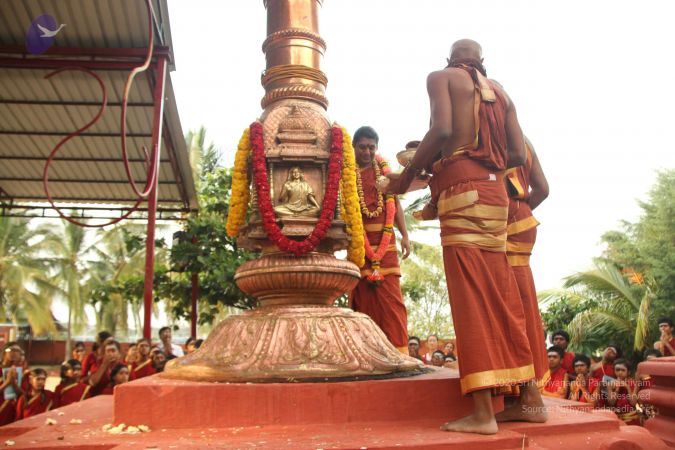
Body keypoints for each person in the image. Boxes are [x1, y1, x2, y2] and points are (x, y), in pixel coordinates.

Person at [386, 39, 542, 434]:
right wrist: (482, 161)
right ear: (482, 63)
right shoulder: (502, 94)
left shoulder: (441, 77)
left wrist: (408, 177)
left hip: (462, 195)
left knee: (471, 299)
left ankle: (483, 414)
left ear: (450, 60)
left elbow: (441, 129)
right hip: (496, 198)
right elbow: (517, 155)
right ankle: (529, 400)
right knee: (503, 297)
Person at [348, 126, 411, 353]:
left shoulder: (385, 173)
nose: (367, 152)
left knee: (392, 300)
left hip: (387, 245)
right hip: (359, 243)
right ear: (354, 147)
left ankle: (399, 353)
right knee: (364, 299)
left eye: (371, 147)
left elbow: (396, 204)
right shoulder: (346, 173)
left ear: (377, 148)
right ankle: (367, 353)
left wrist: (405, 235)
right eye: (362, 147)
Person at [504, 137, 549, 387]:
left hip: (500, 222)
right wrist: (522, 209)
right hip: (523, 220)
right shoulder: (523, 140)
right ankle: (529, 378)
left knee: (506, 301)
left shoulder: (482, 130)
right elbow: (543, 189)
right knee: (524, 298)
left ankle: (517, 381)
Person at [607, 359, 639, 425]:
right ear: (614, 371)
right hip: (617, 419)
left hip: (631, 418)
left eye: (623, 370)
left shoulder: (634, 383)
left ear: (628, 372)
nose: (620, 372)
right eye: (617, 370)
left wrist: (627, 387)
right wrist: (617, 389)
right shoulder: (610, 384)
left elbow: (633, 403)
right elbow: (611, 403)